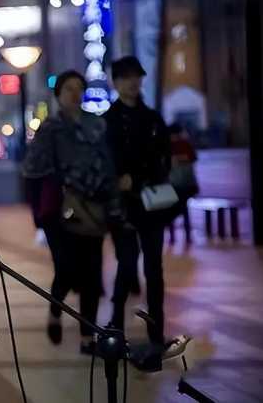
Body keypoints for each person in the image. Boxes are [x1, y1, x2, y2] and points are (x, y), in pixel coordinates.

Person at [23, 70, 121, 354]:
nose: (75, 93)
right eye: (68, 89)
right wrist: (39, 212)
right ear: (59, 94)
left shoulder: (96, 125)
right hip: (59, 212)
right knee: (65, 269)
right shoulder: (50, 128)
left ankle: (87, 337)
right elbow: (32, 170)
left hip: (93, 208)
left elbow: (108, 166)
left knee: (92, 273)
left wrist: (112, 201)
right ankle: (55, 312)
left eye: (79, 88)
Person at [105, 56, 171, 346]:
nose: (133, 82)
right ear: (116, 82)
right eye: (126, 77)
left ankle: (156, 331)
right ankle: (116, 328)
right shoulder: (108, 121)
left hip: (152, 203)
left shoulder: (153, 118)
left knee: (154, 269)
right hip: (124, 207)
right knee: (127, 265)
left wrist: (151, 176)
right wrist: (119, 179)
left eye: (137, 76)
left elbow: (166, 157)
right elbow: (103, 162)